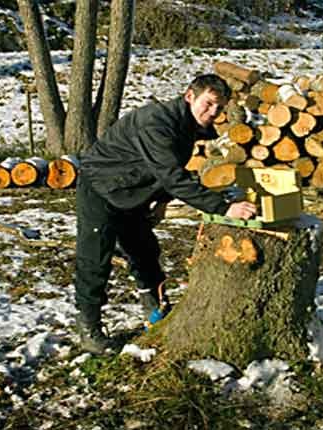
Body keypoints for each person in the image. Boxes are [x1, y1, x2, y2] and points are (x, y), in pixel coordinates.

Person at [74, 74, 256, 354]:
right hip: (101, 186)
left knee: (145, 251)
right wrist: (224, 208)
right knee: (95, 258)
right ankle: (89, 329)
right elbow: (171, 174)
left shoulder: (188, 125)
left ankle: (155, 308)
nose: (212, 113)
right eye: (208, 104)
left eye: (219, 109)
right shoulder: (156, 123)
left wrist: (160, 201)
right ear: (189, 96)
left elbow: (168, 169)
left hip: (133, 189)